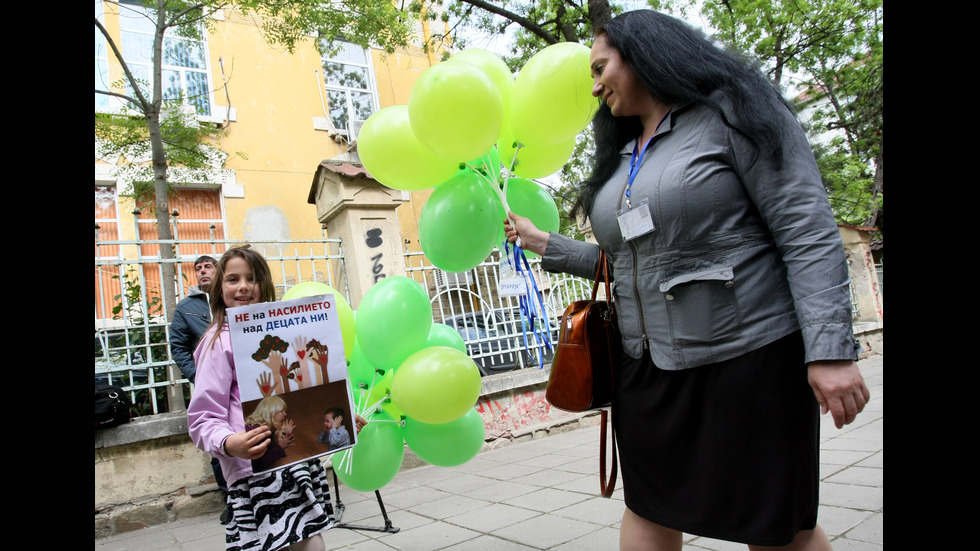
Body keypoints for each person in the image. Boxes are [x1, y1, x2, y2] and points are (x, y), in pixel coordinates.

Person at [504, 10, 870, 551]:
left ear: (646, 52)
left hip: (747, 362)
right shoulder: (624, 152)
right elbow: (631, 261)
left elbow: (807, 232)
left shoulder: (738, 113)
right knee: (648, 508)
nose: (594, 84)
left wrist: (830, 349)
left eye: (601, 67)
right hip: (646, 371)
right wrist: (544, 242)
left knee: (775, 527)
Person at [187, 247, 341, 551]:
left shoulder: (281, 332)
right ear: (219, 289)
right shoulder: (218, 342)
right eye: (232, 279)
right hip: (255, 472)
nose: (243, 286)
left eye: (252, 278)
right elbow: (202, 418)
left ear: (264, 286)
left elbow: (304, 387)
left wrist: (340, 414)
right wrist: (230, 443)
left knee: (311, 543)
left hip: (297, 462)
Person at [168, 255, 231, 523]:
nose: (202, 271)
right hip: (210, 387)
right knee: (218, 441)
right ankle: (231, 498)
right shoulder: (186, 308)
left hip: (241, 382)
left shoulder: (232, 299)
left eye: (208, 266)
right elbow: (179, 348)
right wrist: (199, 376)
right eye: (198, 268)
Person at [244, 396, 295, 471]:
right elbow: (257, 465)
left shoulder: (263, 430)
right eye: (281, 411)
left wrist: (284, 435)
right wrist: (280, 447)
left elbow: (269, 452)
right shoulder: (256, 431)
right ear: (271, 411)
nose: (285, 414)